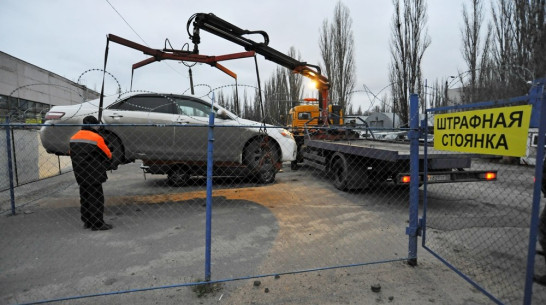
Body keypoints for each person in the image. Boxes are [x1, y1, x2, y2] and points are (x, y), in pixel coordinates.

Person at [69, 116, 113, 231]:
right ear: (94, 125)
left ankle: (87, 222)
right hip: (94, 173)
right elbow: (108, 154)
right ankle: (97, 224)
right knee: (96, 198)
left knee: (84, 197)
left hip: (80, 173)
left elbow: (71, 153)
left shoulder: (73, 137)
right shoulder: (96, 137)